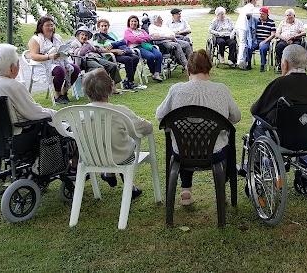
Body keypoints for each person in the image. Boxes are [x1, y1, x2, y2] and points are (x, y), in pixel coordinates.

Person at [155, 50, 241, 206]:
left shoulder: (176, 90)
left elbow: (160, 116)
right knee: (226, 144)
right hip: (215, 153)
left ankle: (186, 189)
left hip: (182, 153)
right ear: (209, 69)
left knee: (185, 140)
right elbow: (236, 117)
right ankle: (221, 189)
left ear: (188, 70)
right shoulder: (221, 90)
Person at [82, 68, 150, 199]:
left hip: (91, 159)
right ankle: (130, 187)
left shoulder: (80, 113)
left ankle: (109, 174)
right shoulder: (120, 111)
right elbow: (144, 127)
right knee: (124, 147)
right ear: (110, 88)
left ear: (85, 91)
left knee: (110, 145)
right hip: (120, 157)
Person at [0, 44, 69, 138]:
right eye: (18, 62)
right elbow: (34, 113)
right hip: (23, 132)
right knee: (65, 128)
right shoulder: (13, 86)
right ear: (12, 67)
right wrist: (55, 113)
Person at [250, 44, 307, 124]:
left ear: (285, 64)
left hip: (282, 130)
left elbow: (256, 110)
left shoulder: (279, 83)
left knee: (256, 119)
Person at [28, 16, 81, 104]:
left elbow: (64, 48)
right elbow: (34, 56)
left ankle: (64, 92)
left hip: (58, 61)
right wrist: (48, 57)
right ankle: (58, 95)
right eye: (47, 25)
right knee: (59, 70)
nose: (50, 27)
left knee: (75, 68)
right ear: (41, 27)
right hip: (43, 63)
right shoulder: (35, 39)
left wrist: (66, 52)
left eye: (52, 25)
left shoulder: (57, 37)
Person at [70, 26, 122, 94]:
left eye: (86, 35)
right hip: (85, 61)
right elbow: (79, 54)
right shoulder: (74, 43)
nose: (84, 37)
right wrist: (89, 48)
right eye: (82, 34)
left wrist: (99, 49)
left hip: (95, 58)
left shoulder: (87, 43)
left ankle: (113, 87)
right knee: (100, 68)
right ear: (78, 35)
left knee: (113, 66)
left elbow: (96, 49)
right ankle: (105, 87)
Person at [91, 18, 141, 90]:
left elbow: (122, 41)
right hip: (110, 56)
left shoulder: (111, 34)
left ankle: (127, 79)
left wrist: (114, 45)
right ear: (98, 27)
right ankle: (130, 82)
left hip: (120, 52)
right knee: (128, 59)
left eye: (105, 26)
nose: (104, 28)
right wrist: (115, 51)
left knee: (135, 58)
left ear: (108, 26)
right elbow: (101, 50)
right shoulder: (97, 37)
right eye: (102, 26)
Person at [124, 14, 164, 82]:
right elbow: (133, 40)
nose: (134, 23)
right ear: (129, 22)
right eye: (132, 21)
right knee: (150, 56)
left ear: (137, 22)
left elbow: (148, 38)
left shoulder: (142, 30)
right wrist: (142, 39)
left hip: (146, 45)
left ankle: (157, 73)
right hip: (137, 47)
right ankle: (153, 72)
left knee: (159, 55)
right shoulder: (128, 31)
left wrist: (138, 38)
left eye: (135, 21)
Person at [244, 7, 276, 72]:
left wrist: (264, 41)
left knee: (262, 48)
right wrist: (248, 16)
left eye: (263, 14)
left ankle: (262, 65)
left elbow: (273, 34)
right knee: (249, 47)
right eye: (260, 13)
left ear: (267, 14)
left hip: (266, 41)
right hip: (256, 40)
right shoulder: (256, 21)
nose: (261, 15)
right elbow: (250, 20)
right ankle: (249, 64)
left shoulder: (271, 22)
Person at [235, 0, 258, 66]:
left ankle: (242, 60)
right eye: (256, 0)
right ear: (253, 0)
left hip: (238, 27)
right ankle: (240, 61)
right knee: (243, 44)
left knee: (242, 43)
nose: (256, 2)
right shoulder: (251, 6)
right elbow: (248, 14)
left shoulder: (245, 6)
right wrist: (250, 15)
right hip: (243, 27)